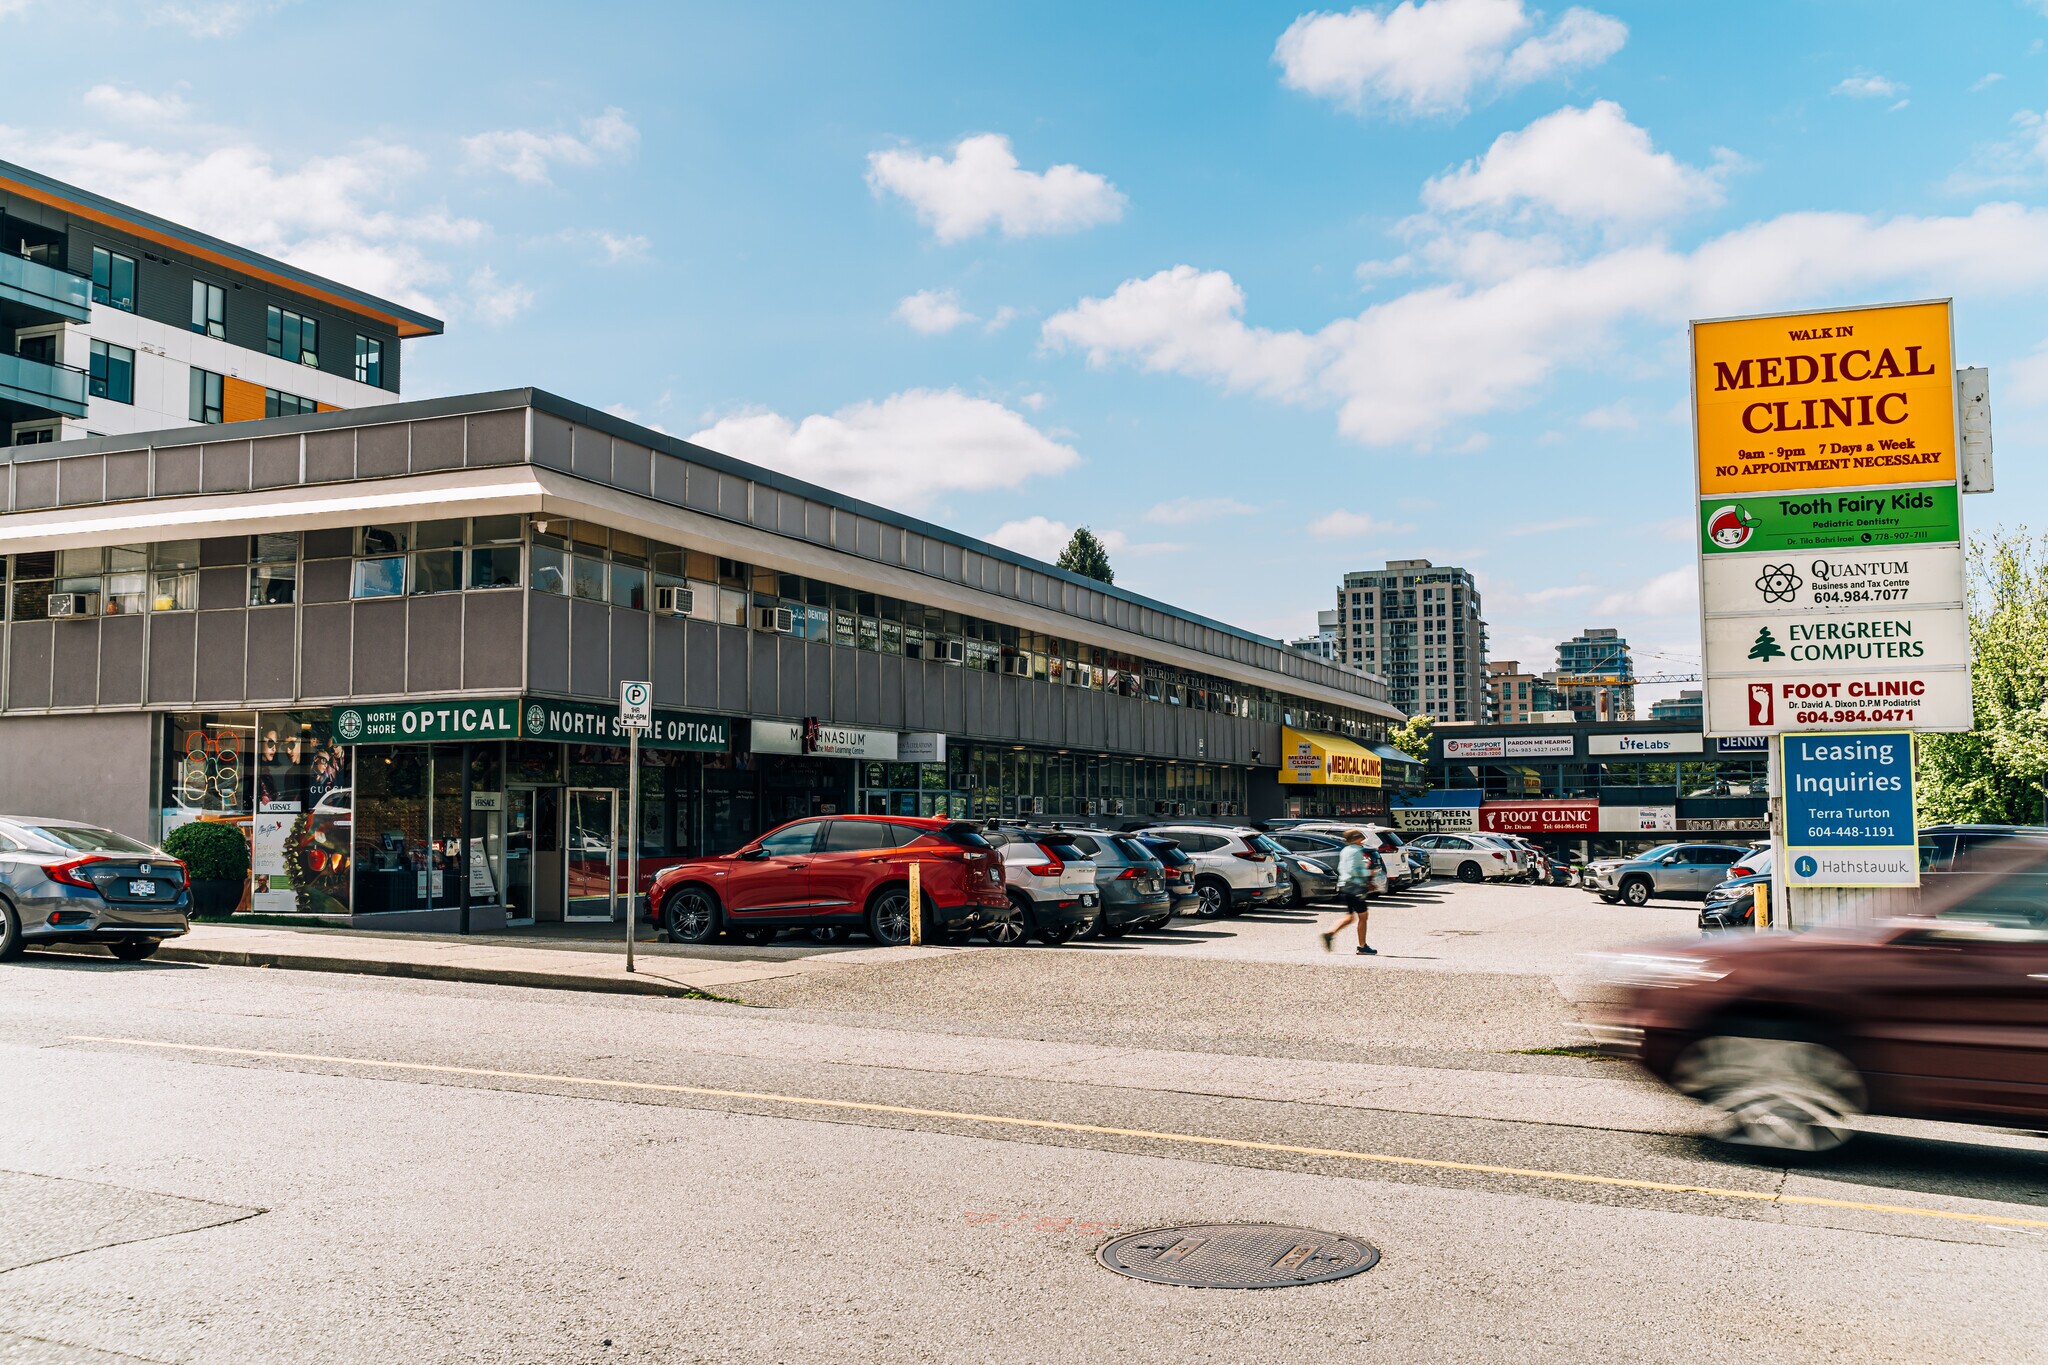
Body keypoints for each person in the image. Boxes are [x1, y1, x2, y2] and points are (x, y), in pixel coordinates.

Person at [1321, 828, 1380, 956]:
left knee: (1350, 916)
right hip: (1355, 886)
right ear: (1355, 839)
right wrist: (1369, 872)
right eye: (1360, 838)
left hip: (1345, 885)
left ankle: (1330, 933)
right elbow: (1353, 870)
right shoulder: (1356, 851)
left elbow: (1343, 868)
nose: (1362, 840)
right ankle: (1362, 946)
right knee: (1363, 916)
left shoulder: (1345, 850)